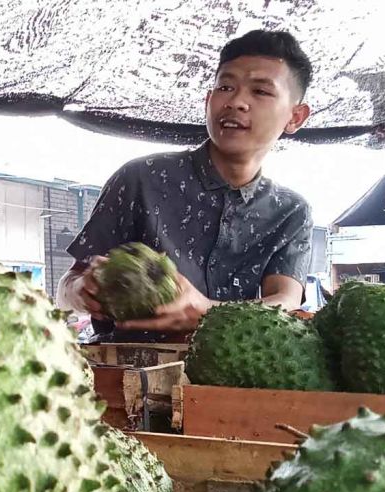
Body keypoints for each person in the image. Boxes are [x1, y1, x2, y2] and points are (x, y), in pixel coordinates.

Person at [55, 29, 314, 342]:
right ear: (208, 100)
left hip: (227, 382)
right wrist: (81, 291)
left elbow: (285, 301)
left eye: (260, 91)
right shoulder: (141, 178)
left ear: (295, 117)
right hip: (125, 373)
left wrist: (207, 311)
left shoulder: (290, 212)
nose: (236, 102)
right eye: (226, 87)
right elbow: (67, 287)